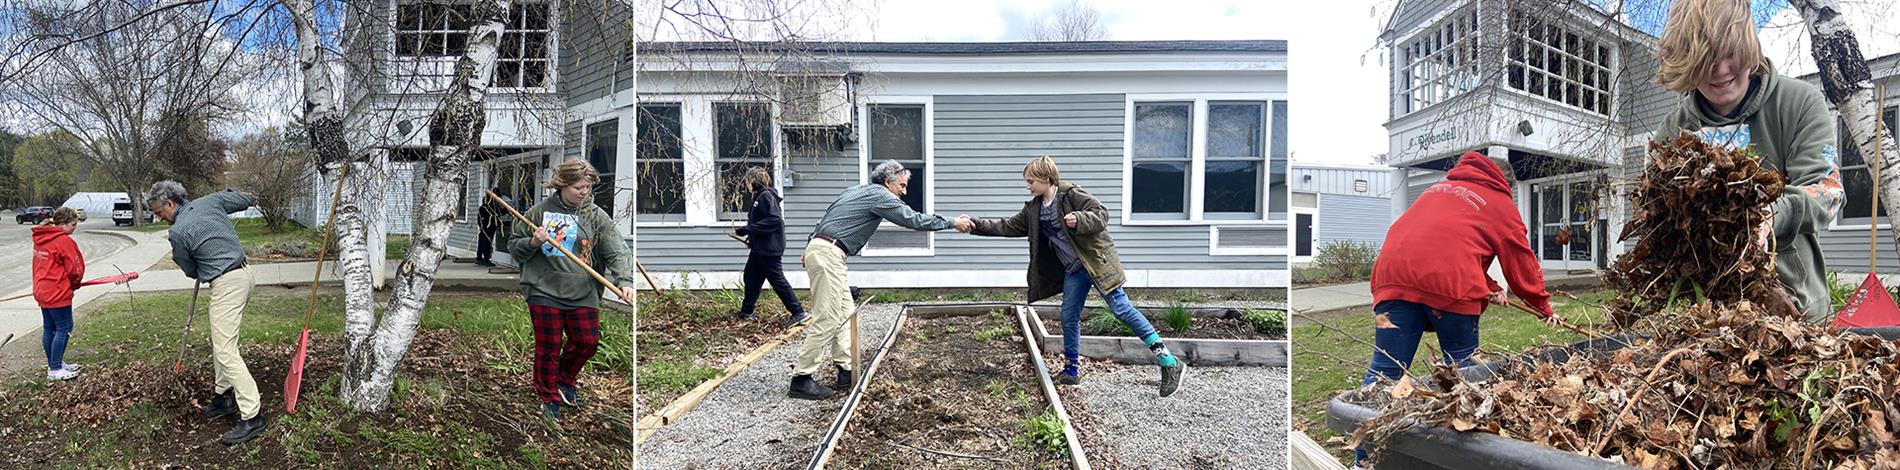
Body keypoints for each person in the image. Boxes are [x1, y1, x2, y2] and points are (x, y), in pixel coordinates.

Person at [1352, 152, 1556, 464]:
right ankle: (1460, 455)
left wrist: (1490, 287)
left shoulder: (1435, 191)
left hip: (1390, 284)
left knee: (1383, 372)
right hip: (1450, 294)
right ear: (1508, 185)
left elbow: (1440, 248)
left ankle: (1365, 459)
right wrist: (1543, 306)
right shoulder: (1500, 202)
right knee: (1464, 373)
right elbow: (1521, 262)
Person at [1654, 0, 1840, 325]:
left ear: (1749, 43)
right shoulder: (1674, 131)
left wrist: (1771, 211)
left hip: (1796, 313)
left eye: (1730, 52)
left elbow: (1827, 191)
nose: (1721, 69)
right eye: (1706, 58)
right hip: (1704, 320)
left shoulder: (1798, 103)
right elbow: (1658, 216)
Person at [956, 156, 1185, 396]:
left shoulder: (1070, 194)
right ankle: (1071, 370)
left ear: (1046, 178)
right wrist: (975, 224)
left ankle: (1169, 362)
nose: (1028, 186)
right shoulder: (1033, 209)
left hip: (1095, 263)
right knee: (1068, 316)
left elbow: (1101, 214)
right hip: (1074, 270)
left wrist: (1080, 220)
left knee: (1121, 309)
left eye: (1031, 181)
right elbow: (1006, 226)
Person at [788, 160, 956, 400]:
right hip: (828, 253)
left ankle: (846, 370)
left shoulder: (855, 191)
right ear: (888, 182)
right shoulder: (882, 196)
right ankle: (801, 379)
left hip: (823, 249)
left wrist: (810, 245)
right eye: (902, 185)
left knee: (846, 312)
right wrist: (951, 222)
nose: (904, 192)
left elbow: (825, 218)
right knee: (828, 316)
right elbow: (913, 220)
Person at [507, 159, 636, 420]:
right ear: (563, 184)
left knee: (587, 342)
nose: (583, 192)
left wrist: (625, 281)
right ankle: (548, 396)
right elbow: (514, 248)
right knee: (549, 346)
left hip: (583, 291)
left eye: (587, 187)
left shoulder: (596, 216)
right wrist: (533, 241)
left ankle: (564, 378)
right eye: (578, 187)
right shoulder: (538, 213)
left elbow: (616, 250)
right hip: (543, 288)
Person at [145, 180, 268, 445]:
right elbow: (245, 198)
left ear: (170, 203)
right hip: (244, 274)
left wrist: (200, 262)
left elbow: (189, 269)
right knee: (223, 343)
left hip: (227, 283)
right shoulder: (210, 202)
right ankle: (223, 396)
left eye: (158, 212)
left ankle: (253, 416)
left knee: (226, 350)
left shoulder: (178, 232)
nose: (159, 218)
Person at [730, 167, 808, 328]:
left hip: (768, 249)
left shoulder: (766, 196)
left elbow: (774, 221)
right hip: (760, 248)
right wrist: (752, 239)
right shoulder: (761, 197)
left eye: (748, 181)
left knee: (777, 280)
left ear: (754, 181)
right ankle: (747, 311)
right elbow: (763, 223)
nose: (746, 184)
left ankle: (798, 312)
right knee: (751, 277)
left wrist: (745, 230)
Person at [475, 184, 504, 267]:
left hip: (490, 227)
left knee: (486, 242)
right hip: (486, 227)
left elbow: (498, 213)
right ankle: (483, 258)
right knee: (485, 242)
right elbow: (494, 214)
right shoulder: (486, 206)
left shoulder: (493, 206)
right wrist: (482, 227)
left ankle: (482, 258)